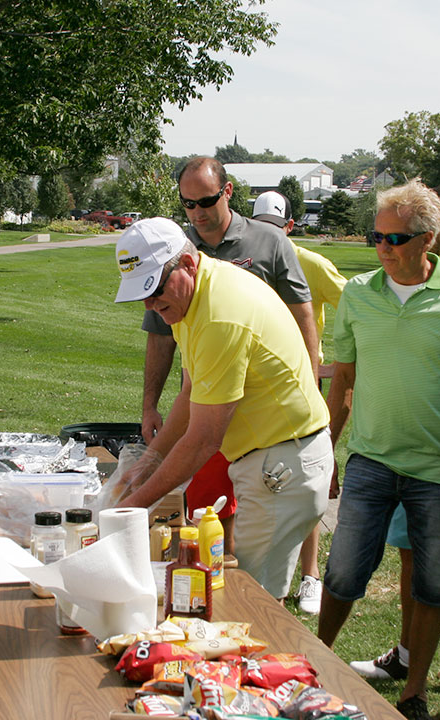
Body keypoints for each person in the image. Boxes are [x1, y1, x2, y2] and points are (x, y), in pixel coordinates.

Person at [316, 180, 440, 720]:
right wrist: (329, 446)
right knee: (344, 573)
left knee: (436, 584)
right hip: (371, 460)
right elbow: (344, 377)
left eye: (395, 238)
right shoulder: (358, 294)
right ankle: (318, 661)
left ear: (429, 239)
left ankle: (413, 692)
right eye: (377, 236)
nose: (383, 248)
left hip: (438, 471)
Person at [114, 217, 333, 600]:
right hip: (271, 458)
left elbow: (203, 439)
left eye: (156, 288)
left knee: (252, 603)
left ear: (187, 264)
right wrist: (149, 461)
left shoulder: (218, 314)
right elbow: (190, 393)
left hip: (284, 463)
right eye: (141, 294)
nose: (150, 304)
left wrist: (134, 506)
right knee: (241, 596)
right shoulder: (188, 301)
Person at [141, 157, 320, 554]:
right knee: (211, 514)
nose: (197, 213)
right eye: (187, 204)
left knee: (259, 568)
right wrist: (150, 426)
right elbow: (169, 353)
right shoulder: (174, 266)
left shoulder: (267, 244)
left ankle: (306, 574)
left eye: (205, 201)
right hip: (217, 405)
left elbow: (301, 315)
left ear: (227, 192)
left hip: (270, 425)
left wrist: (311, 387)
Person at [251, 190, 347, 614]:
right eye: (262, 227)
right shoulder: (245, 259)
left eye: (276, 228)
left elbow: (355, 305)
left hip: (303, 386)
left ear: (289, 227)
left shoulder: (311, 263)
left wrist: (335, 363)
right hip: (255, 386)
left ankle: (311, 576)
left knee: (309, 479)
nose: (269, 236)